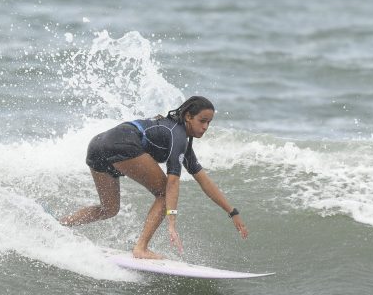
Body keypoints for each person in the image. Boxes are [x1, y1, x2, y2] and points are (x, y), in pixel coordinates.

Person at [59, 96, 248, 259]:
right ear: (188, 117)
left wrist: (232, 211)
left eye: (209, 123)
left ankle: (61, 225)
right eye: (203, 120)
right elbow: (172, 183)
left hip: (97, 145)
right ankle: (141, 248)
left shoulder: (180, 139)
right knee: (163, 193)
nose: (206, 127)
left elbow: (204, 181)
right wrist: (172, 222)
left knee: (109, 209)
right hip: (122, 143)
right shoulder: (178, 135)